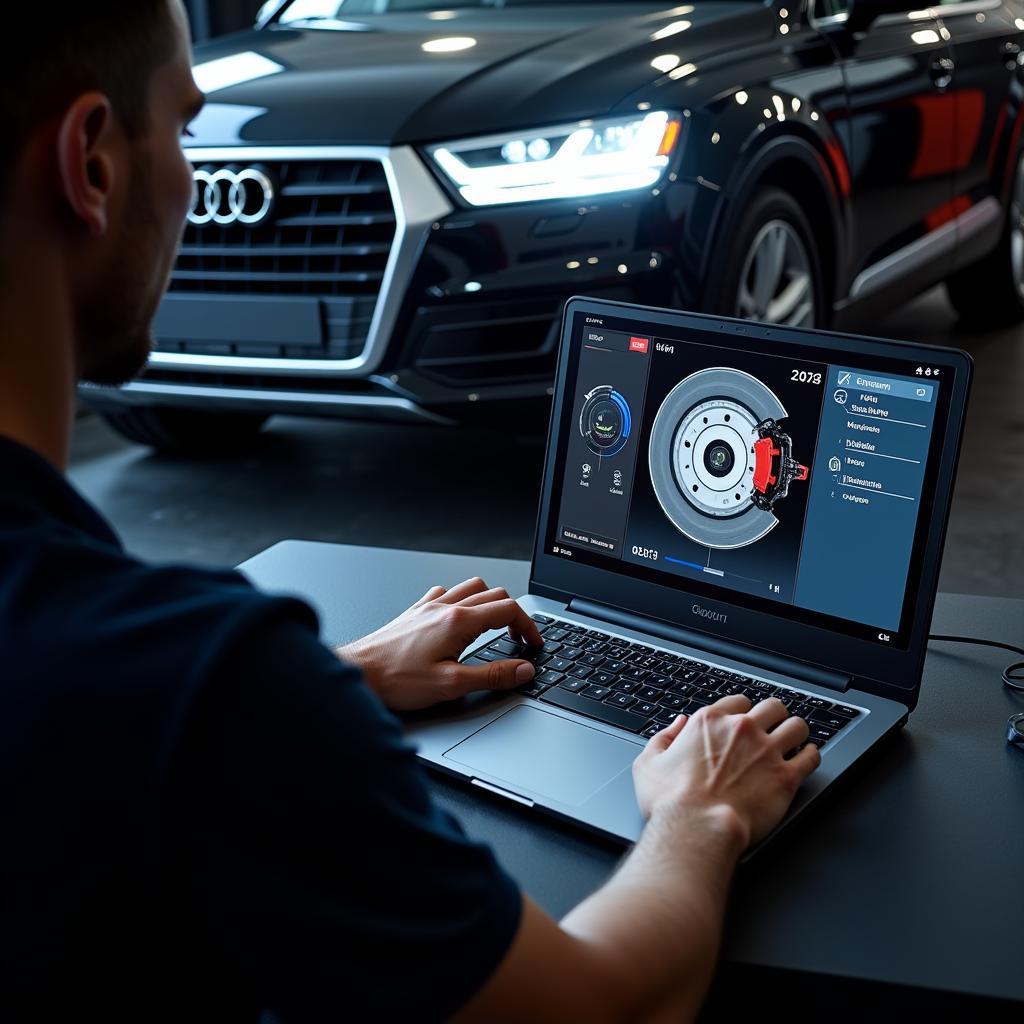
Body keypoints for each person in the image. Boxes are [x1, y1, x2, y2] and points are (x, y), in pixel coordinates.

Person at [0, 3, 821, 1021]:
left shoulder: (139, 676)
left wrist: (329, 684)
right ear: (91, 164)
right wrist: (698, 817)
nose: (202, 187)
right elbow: (594, 1008)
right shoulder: (194, 679)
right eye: (183, 130)